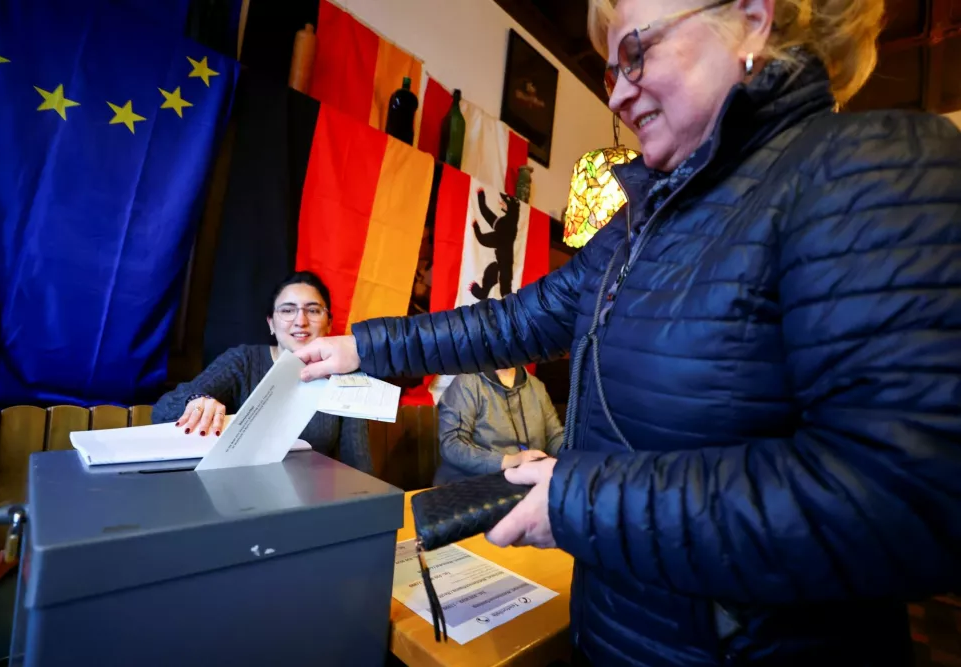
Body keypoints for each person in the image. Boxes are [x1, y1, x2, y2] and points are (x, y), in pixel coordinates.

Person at [295, 0, 961, 663]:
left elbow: (901, 500)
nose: (616, 91)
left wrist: (582, 500)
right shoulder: (638, 223)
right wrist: (363, 345)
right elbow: (514, 320)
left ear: (754, 21)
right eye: (611, 70)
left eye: (636, 54)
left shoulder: (870, 166)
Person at [152, 271, 372, 474]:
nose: (300, 321)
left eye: (313, 310)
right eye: (287, 310)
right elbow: (162, 411)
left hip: (312, 501)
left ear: (328, 323)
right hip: (236, 496)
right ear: (271, 324)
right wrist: (197, 402)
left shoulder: (346, 375)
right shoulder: (243, 361)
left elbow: (359, 466)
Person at [434, 367, 564, 485]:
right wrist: (511, 460)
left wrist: (576, 454)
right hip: (471, 484)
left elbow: (555, 437)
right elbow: (452, 445)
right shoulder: (467, 383)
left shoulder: (537, 386)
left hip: (524, 483)